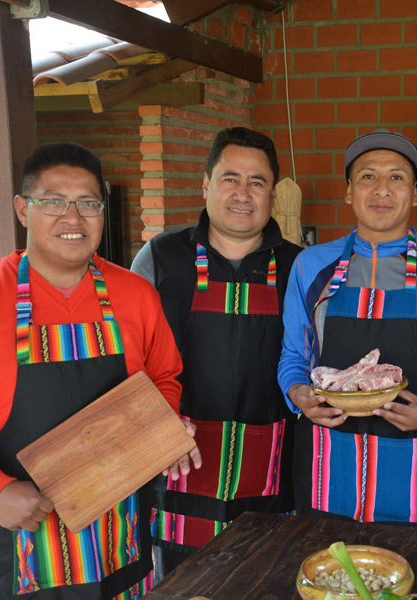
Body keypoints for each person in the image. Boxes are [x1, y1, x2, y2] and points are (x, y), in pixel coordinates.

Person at [0, 142, 199, 599]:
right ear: (23, 209)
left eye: (88, 204)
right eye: (53, 201)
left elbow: (164, 379)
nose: (73, 218)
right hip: (19, 533)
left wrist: (164, 428)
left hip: (121, 527)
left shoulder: (135, 295)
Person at [278, 128, 417, 528]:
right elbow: (293, 356)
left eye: (397, 177)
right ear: (348, 192)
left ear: (415, 193)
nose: (382, 189)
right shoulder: (310, 266)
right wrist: (298, 395)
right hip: (327, 467)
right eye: (367, 176)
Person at [131, 127, 301, 576]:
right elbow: (130, 363)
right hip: (180, 461)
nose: (243, 194)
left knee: (264, 579)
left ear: (273, 195)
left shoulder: (299, 266)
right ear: (206, 184)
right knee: (183, 583)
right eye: (230, 179)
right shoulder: (160, 257)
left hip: (272, 470)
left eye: (257, 182)